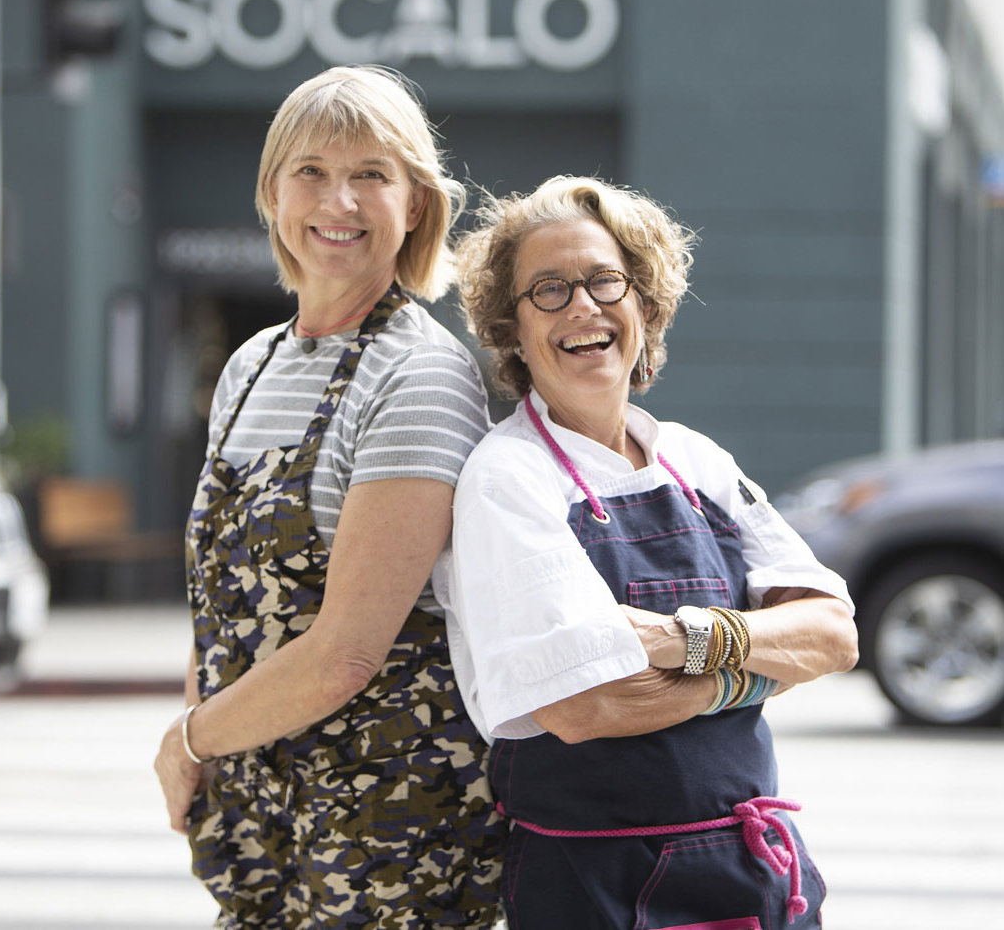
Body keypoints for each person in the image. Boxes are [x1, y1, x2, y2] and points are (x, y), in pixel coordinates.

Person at [437, 175, 859, 930]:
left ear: (645, 302)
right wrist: (758, 662)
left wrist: (682, 639)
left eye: (605, 280)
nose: (582, 307)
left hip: (746, 864)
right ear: (510, 327)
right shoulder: (506, 478)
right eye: (548, 289)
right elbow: (583, 701)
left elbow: (832, 631)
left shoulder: (695, 460)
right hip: (595, 881)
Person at [154, 65, 505, 929]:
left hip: (386, 831)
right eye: (310, 170)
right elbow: (221, 597)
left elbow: (346, 654)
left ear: (417, 203)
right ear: (272, 193)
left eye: (371, 175)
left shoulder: (417, 374)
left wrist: (190, 737)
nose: (337, 200)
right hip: (263, 811)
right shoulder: (250, 365)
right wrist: (205, 728)